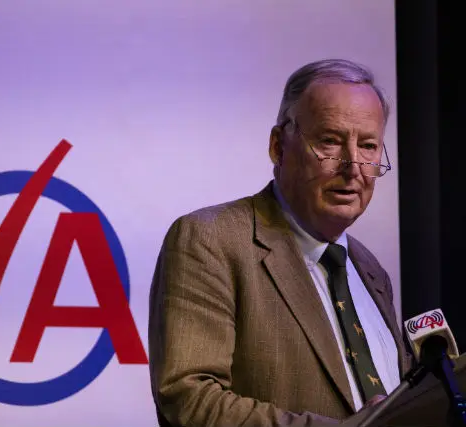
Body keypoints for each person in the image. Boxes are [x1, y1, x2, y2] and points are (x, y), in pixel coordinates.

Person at [148, 59, 413, 427]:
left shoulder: (370, 270)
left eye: (368, 146)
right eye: (330, 141)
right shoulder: (210, 240)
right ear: (278, 146)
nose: (353, 166)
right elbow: (190, 399)